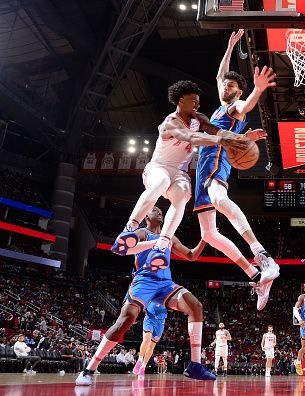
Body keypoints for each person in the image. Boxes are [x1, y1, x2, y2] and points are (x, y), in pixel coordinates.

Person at [110, 79, 248, 271]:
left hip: (179, 172)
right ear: (181, 101)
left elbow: (216, 130)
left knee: (183, 193)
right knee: (161, 182)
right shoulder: (170, 122)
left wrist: (240, 138)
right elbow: (191, 137)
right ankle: (129, 229)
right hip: (159, 167)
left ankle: (162, 244)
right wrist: (220, 140)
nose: (198, 105)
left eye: (198, 102)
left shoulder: (198, 118)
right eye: (193, 101)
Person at [76, 206, 216, 385]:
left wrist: (205, 239)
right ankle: (90, 368)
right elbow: (125, 247)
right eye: (155, 210)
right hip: (144, 280)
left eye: (161, 211)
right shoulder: (142, 232)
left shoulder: (170, 236)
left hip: (165, 284)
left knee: (196, 306)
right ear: (147, 217)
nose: (160, 212)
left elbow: (191, 255)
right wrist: (146, 240)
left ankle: (195, 365)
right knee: (125, 321)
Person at [193, 30, 279, 311]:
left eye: (231, 85)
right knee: (208, 234)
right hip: (203, 168)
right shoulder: (220, 106)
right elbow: (220, 75)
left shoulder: (233, 108)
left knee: (219, 200)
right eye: (225, 85)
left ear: (237, 91)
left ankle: (263, 255)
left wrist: (257, 89)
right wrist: (229, 47)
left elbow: (246, 106)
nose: (225, 86)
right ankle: (256, 276)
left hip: (217, 162)